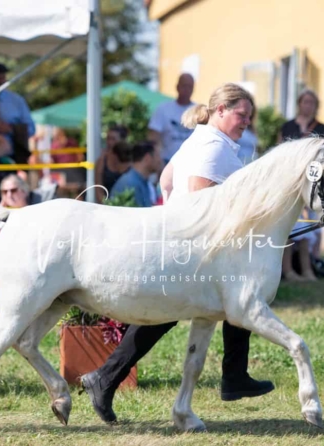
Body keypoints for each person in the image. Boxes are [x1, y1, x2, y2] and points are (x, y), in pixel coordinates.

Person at [81, 83, 274, 424]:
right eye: (241, 115)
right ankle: (233, 376)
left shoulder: (200, 140)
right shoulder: (215, 148)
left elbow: (166, 181)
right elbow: (201, 195)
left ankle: (105, 379)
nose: (246, 122)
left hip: (182, 241)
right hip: (194, 246)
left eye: (249, 116)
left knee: (165, 315)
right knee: (240, 293)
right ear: (220, 111)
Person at [278, 89, 324, 281]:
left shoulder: (321, 128)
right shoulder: (287, 127)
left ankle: (312, 262)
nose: (308, 106)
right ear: (299, 103)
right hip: (291, 182)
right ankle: (288, 268)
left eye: (311, 103)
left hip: (312, 181)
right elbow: (279, 153)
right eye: (305, 102)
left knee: (313, 225)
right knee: (292, 225)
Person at [0, 62, 35, 163]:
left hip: (12, 155)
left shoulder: (16, 101)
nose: (1, 82)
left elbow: (31, 128)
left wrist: (11, 129)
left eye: (3, 78)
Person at [148, 73, 196, 166]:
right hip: (167, 161)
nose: (187, 90)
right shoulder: (163, 109)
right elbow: (153, 138)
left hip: (191, 163)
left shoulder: (198, 111)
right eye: (184, 86)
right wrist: (157, 160)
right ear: (177, 87)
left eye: (190, 86)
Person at [109, 142, 163, 207]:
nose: (160, 160)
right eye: (157, 156)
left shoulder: (141, 181)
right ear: (147, 158)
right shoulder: (130, 184)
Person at [94, 125, 130, 203]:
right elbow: (98, 188)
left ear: (122, 140)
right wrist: (108, 205)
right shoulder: (102, 161)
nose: (109, 142)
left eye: (113, 139)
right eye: (108, 138)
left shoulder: (131, 160)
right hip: (106, 205)